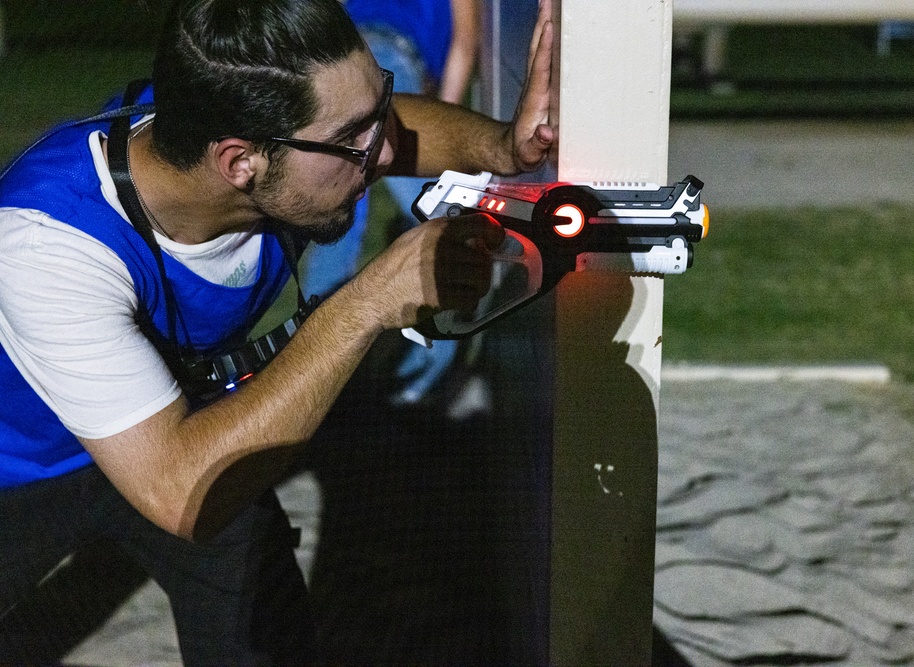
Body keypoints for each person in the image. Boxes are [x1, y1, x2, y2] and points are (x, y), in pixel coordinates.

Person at [0, 0, 553, 663]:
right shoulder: (46, 246)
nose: (382, 153)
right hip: (24, 466)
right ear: (240, 164)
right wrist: (367, 299)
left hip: (178, 424)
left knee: (261, 613)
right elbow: (181, 491)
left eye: (380, 108)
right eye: (355, 140)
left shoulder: (235, 125)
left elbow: (388, 127)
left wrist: (503, 147)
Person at [300, 0, 482, 407]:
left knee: (336, 220)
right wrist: (446, 127)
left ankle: (314, 371)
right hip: (392, 64)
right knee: (444, 222)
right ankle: (420, 381)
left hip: (346, 59)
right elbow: (464, 46)